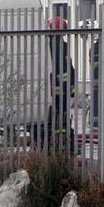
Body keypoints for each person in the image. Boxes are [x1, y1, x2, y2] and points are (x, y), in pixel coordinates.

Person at [46, 17, 75, 152]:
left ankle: (58, 141)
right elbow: (68, 68)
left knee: (56, 117)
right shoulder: (54, 46)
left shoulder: (48, 45)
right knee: (60, 117)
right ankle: (63, 142)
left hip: (55, 90)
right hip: (58, 91)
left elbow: (68, 68)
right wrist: (71, 87)